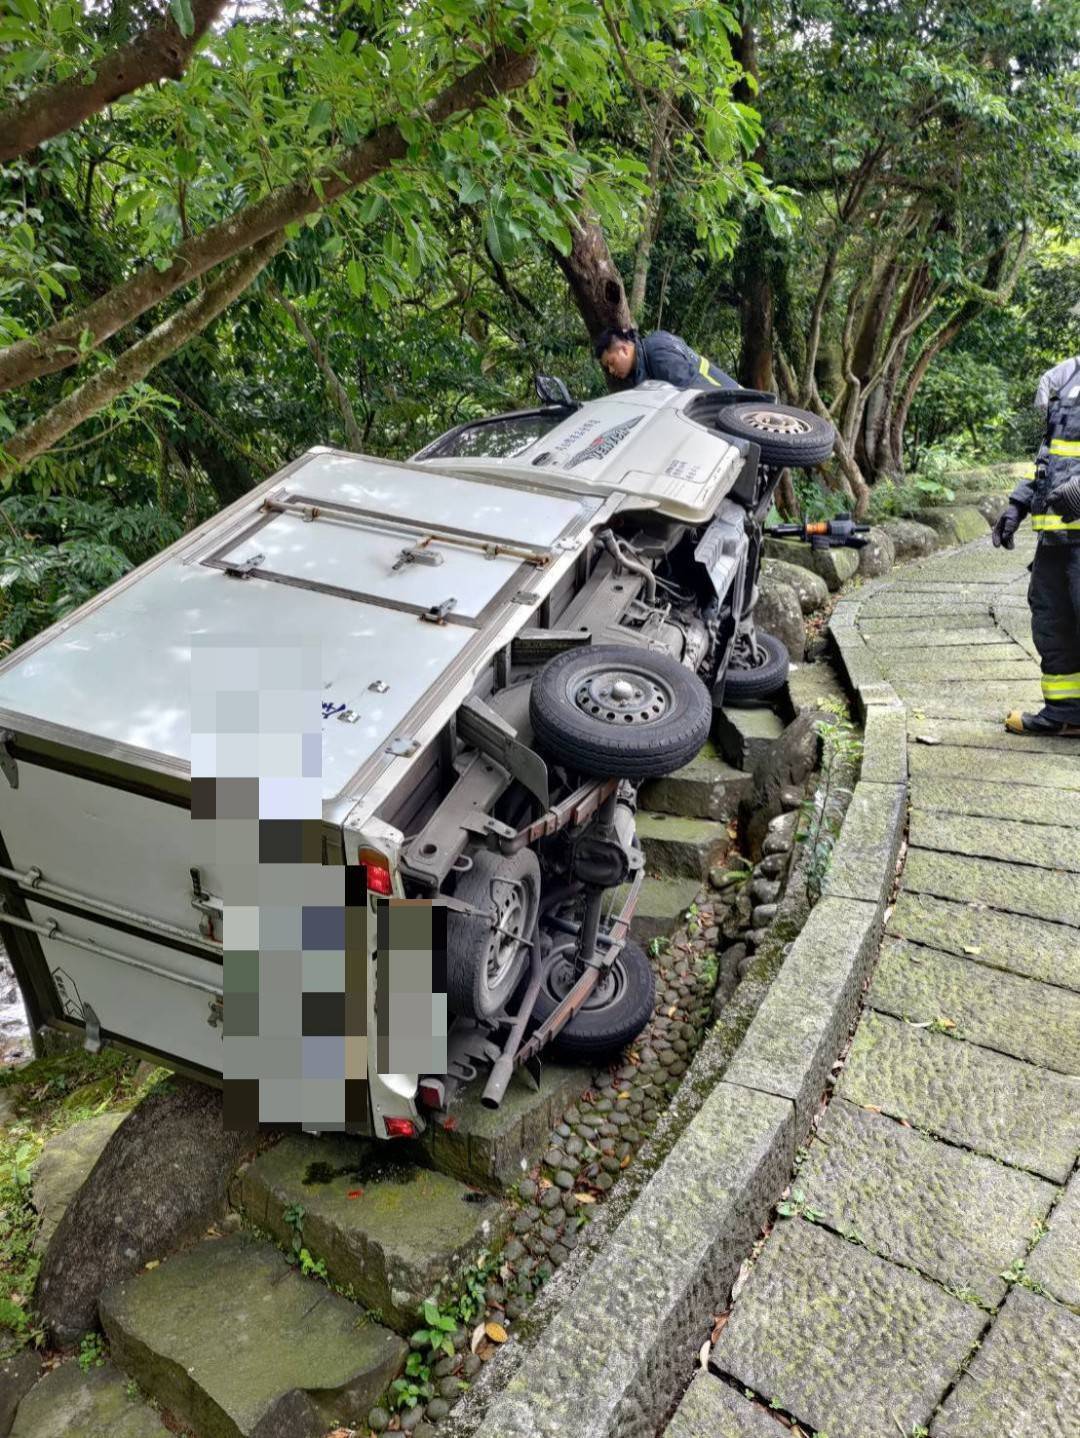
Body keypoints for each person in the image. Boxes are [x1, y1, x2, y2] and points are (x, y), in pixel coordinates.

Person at [993, 353, 1080, 736]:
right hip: (1055, 538)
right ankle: (1066, 715)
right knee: (1051, 620)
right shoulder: (1066, 378)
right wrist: (1018, 504)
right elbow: (1048, 453)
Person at [595, 326, 737, 391]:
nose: (611, 370)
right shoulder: (650, 353)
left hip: (730, 402)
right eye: (608, 368)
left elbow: (693, 390)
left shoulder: (657, 354)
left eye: (611, 363)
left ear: (624, 349)